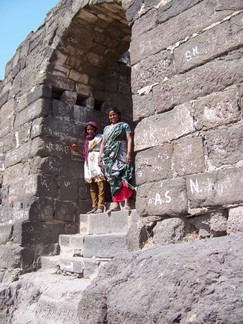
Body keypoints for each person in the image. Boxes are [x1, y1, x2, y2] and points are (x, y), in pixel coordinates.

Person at [98, 107, 135, 212]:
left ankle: (127, 203)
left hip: (121, 152)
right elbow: (103, 143)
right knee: (112, 178)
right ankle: (116, 204)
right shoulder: (106, 129)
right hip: (109, 155)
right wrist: (100, 155)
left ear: (118, 115)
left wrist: (128, 153)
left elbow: (129, 139)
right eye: (110, 115)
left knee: (124, 175)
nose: (112, 116)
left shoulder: (124, 125)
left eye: (114, 114)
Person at [70, 121, 106, 214]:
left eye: (91, 129)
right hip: (88, 162)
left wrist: (100, 158)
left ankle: (101, 206)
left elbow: (103, 148)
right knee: (91, 185)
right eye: (88, 129)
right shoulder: (87, 141)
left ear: (95, 129)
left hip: (97, 159)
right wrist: (76, 149)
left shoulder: (100, 137)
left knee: (100, 183)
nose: (89, 131)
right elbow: (84, 154)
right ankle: (94, 206)